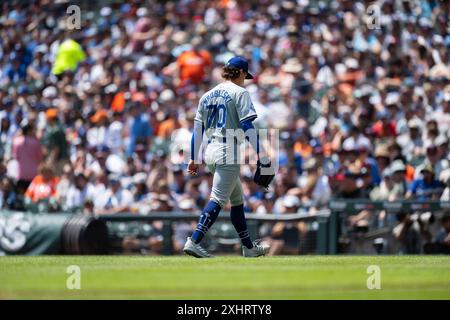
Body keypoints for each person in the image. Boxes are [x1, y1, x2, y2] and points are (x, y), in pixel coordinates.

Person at [183, 56, 271, 258]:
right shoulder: (240, 92)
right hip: (228, 150)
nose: (245, 80)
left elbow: (198, 129)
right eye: (245, 76)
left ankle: (248, 247)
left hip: (211, 151)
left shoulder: (207, 95)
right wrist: (261, 151)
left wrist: (194, 157)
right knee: (218, 199)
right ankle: (194, 240)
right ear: (240, 72)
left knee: (237, 199)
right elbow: (247, 125)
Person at [12, 121, 43, 195]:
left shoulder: (16, 141)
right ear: (29, 130)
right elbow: (40, 158)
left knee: (21, 197)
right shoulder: (35, 142)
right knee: (32, 197)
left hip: (21, 174)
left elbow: (16, 157)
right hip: (33, 175)